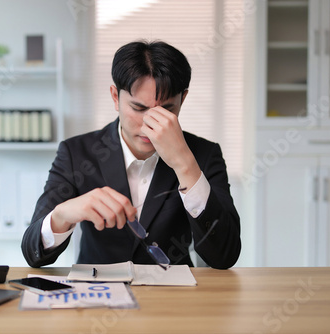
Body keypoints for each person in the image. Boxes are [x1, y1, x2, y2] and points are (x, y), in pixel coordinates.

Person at [22, 40, 241, 269]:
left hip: (175, 298)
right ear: (115, 97)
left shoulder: (203, 155)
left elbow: (225, 255)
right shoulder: (77, 153)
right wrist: (63, 214)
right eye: (138, 108)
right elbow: (32, 253)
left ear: (182, 100)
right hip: (97, 294)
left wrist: (185, 166)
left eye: (166, 110)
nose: (150, 124)